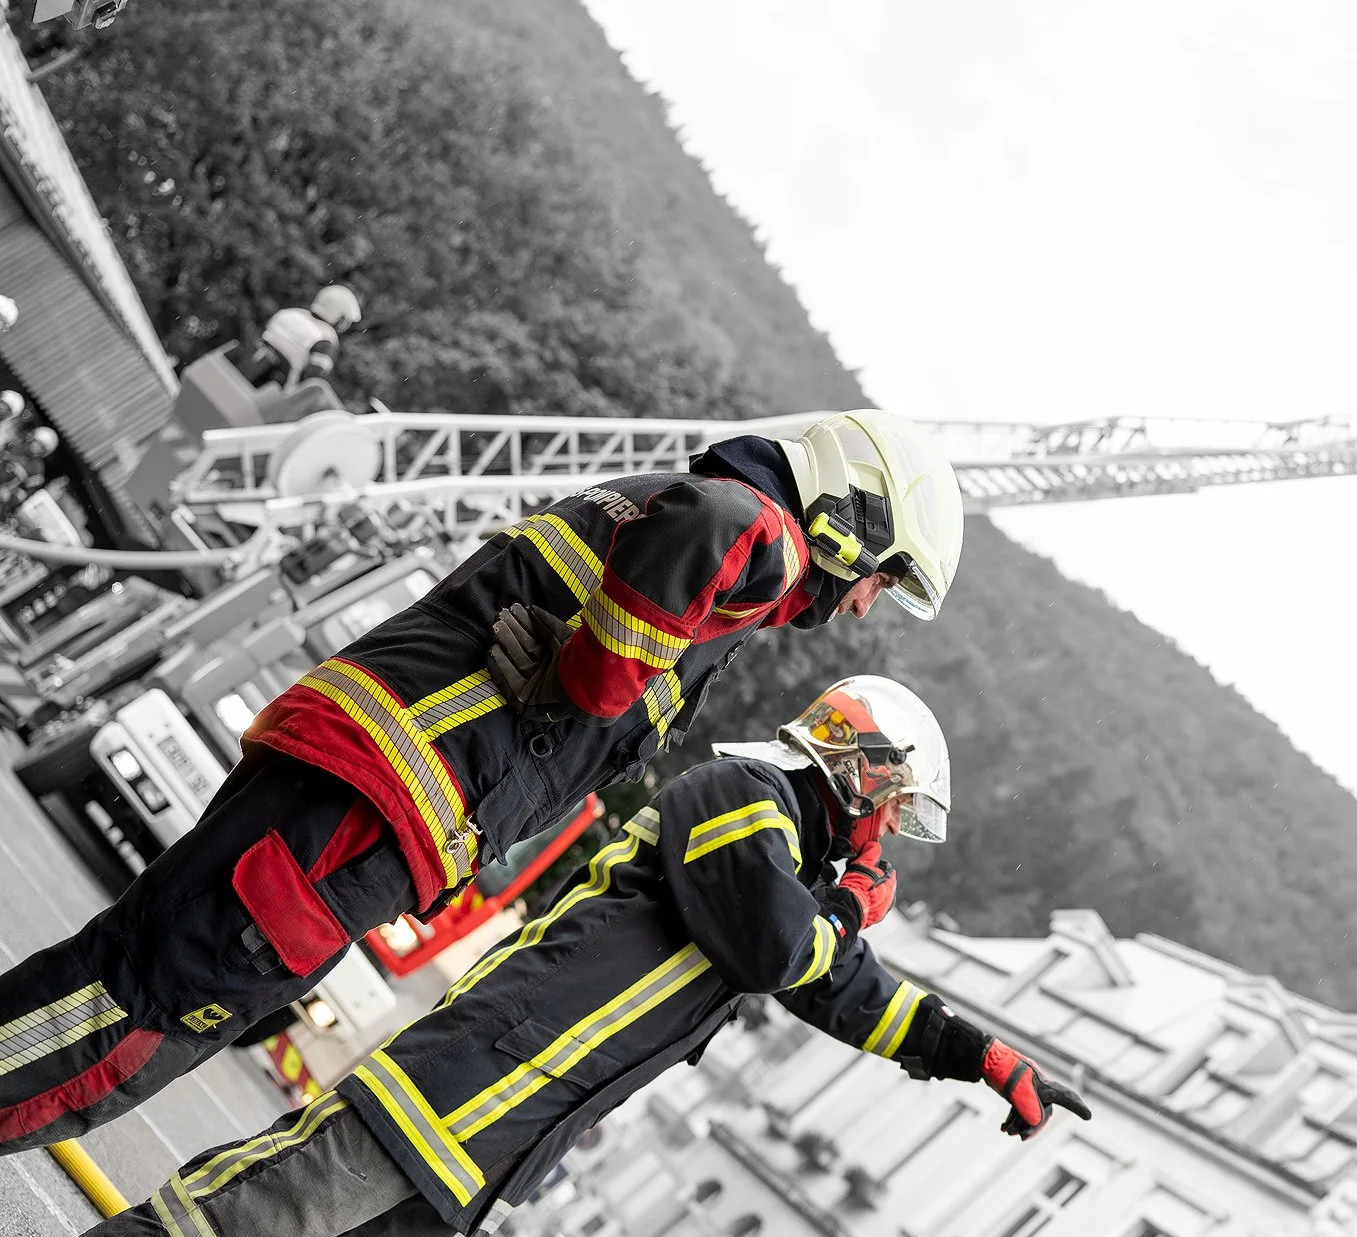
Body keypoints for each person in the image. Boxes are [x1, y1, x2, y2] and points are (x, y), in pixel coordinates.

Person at [0, 676, 1087, 1237]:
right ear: (858, 767)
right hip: (478, 1066)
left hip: (524, 1124)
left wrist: (981, 1055)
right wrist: (847, 906)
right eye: (889, 809)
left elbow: (843, 986)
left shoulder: (797, 877)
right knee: (260, 1211)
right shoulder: (737, 799)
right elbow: (783, 950)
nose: (884, 837)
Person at [0, 410, 965, 1153]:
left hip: (360, 772)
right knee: (134, 1012)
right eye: (883, 577)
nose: (864, 604)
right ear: (856, 514)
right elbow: (692, 560)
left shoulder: (658, 503)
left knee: (125, 979)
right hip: (379, 805)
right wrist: (595, 678)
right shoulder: (756, 529)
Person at [238, 285, 361, 390]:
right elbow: (313, 381)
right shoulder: (326, 338)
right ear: (339, 316)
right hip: (274, 394)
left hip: (241, 372)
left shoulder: (288, 313)